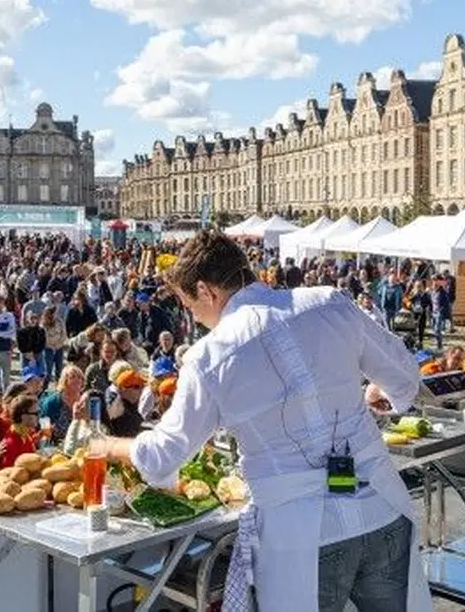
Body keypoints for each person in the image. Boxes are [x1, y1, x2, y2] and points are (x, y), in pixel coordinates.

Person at [93, 229, 430, 611]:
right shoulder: (329, 302)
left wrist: (108, 445)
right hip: (380, 503)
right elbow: (405, 378)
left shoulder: (209, 356)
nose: (194, 318)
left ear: (206, 291)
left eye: (190, 306)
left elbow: (165, 455)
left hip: (301, 533)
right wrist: (371, 392)